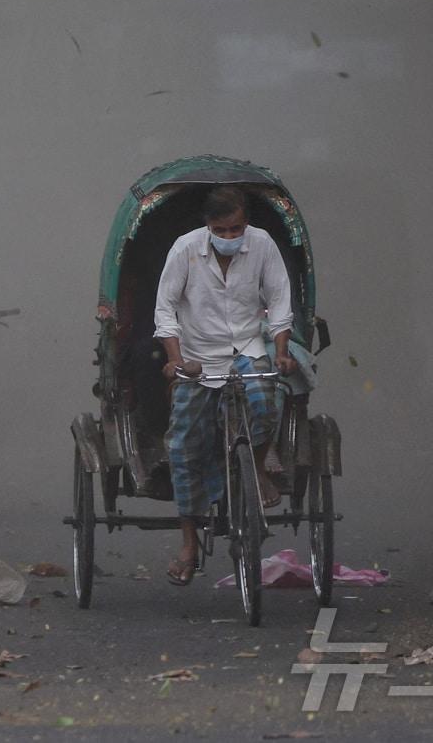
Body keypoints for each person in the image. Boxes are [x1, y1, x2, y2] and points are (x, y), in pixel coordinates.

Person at [153, 186, 297, 586]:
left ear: (245, 223)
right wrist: (175, 359)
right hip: (199, 357)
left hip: (248, 348)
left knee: (267, 405)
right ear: (208, 226)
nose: (230, 237)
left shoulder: (262, 245)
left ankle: (258, 468)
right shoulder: (185, 249)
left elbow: (279, 300)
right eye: (221, 231)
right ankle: (189, 543)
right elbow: (165, 307)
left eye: (236, 229)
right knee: (183, 446)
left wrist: (281, 352)